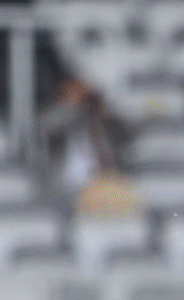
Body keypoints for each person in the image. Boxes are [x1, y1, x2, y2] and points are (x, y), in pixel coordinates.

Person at [37, 73, 137, 215]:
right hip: (67, 188)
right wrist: (71, 105)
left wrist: (106, 108)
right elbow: (44, 127)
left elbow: (130, 135)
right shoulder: (58, 121)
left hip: (104, 186)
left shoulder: (105, 122)